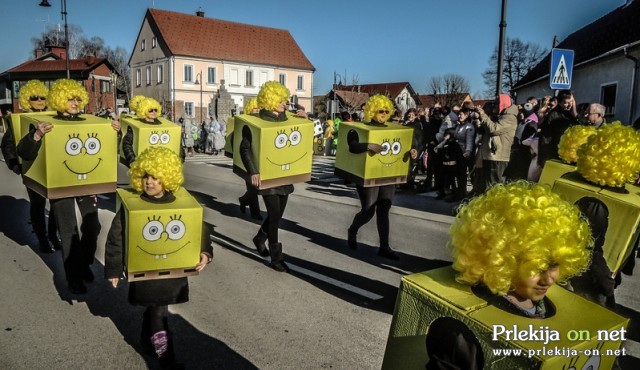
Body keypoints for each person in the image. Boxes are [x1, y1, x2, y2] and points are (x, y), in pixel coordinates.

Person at [425, 181, 592, 369]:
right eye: (536, 267)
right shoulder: (463, 335)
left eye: (554, 265)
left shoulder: (544, 306)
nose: (548, 279)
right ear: (502, 260)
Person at [105, 147, 212, 369]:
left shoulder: (182, 203)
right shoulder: (132, 207)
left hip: (172, 274)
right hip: (146, 274)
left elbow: (198, 229)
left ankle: (146, 340)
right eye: (145, 177)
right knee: (159, 313)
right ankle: (167, 359)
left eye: (155, 177)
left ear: (167, 178)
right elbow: (116, 237)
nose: (149, 182)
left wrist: (205, 251)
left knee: (155, 311)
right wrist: (114, 269)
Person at [17, 78, 121, 294]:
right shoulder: (46, 123)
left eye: (77, 98)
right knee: (68, 230)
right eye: (69, 98)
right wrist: (36, 135)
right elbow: (23, 152)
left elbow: (107, 150)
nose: (74, 102)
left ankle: (83, 264)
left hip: (86, 184)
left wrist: (114, 132)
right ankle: (73, 275)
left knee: (93, 226)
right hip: (60, 185)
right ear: (59, 100)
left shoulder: (90, 121)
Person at [346, 94, 418, 260]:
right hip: (368, 174)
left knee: (384, 210)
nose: (384, 114)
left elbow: (405, 146)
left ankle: (384, 246)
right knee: (368, 210)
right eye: (380, 111)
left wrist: (413, 151)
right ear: (372, 111)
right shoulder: (361, 128)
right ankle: (353, 229)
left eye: (387, 111)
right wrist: (367, 145)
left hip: (388, 175)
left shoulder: (393, 129)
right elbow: (352, 145)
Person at [240, 81, 299, 272]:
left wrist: (305, 119)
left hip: (285, 175)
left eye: (286, 100)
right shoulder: (256, 121)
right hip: (266, 177)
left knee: (278, 215)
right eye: (282, 100)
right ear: (271, 100)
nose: (286, 103)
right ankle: (276, 258)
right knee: (273, 215)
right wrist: (253, 171)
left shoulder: (290, 119)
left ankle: (259, 238)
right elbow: (245, 148)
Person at [1, 80, 61, 253]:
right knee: (38, 205)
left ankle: (53, 236)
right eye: (35, 98)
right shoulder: (19, 120)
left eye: (43, 97)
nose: (40, 101)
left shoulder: (52, 118)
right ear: (28, 100)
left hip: (52, 169)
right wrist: (15, 166)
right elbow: (7, 145)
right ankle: (42, 239)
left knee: (57, 203)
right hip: (31, 169)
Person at [475, 94, 518, 191]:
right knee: (486, 186)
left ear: (503, 104)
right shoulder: (498, 117)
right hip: (490, 156)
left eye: (496, 104)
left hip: (498, 157)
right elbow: (481, 130)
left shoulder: (510, 118)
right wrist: (477, 118)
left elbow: (493, 130)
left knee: (494, 187)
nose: (493, 106)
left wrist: (483, 115)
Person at [537, 90, 578, 168]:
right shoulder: (554, 115)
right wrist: (544, 160)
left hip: (571, 157)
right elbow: (545, 138)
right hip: (556, 155)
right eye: (566, 103)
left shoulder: (574, 114)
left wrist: (575, 113)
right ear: (559, 102)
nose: (570, 105)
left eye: (571, 102)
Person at [238, 98, 262, 220]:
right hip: (249, 162)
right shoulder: (248, 126)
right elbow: (244, 148)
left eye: (259, 108)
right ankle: (255, 212)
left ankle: (243, 200)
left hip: (259, 161)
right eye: (255, 108)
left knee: (257, 189)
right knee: (252, 189)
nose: (257, 110)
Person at [121, 96, 163, 167]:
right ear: (144, 110)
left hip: (160, 164)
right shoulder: (135, 126)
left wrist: (180, 158)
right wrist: (132, 161)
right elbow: (127, 144)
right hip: (142, 165)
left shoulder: (163, 125)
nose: (154, 112)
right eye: (150, 110)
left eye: (156, 110)